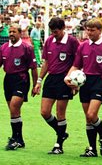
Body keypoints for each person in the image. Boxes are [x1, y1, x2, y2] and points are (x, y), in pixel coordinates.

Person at [65, 19, 102, 157]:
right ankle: (92, 149)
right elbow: (76, 65)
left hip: (99, 82)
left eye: (92, 30)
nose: (89, 32)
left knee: (91, 114)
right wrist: (68, 77)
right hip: (85, 82)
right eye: (87, 30)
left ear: (100, 31)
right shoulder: (82, 46)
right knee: (87, 118)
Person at [32, 17, 80, 154]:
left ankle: (58, 144)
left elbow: (78, 62)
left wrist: (75, 82)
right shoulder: (49, 41)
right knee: (44, 112)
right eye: (52, 32)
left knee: (60, 113)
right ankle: (62, 133)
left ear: (63, 28)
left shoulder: (72, 42)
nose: (54, 34)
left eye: (56, 32)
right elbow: (46, 62)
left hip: (65, 80)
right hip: (51, 79)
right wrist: (39, 81)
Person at [0, 24, 38, 150]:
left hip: (21, 79)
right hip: (8, 79)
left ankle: (14, 138)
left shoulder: (27, 48)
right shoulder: (4, 47)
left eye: (14, 31)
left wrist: (36, 84)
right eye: (10, 31)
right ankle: (19, 139)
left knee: (14, 106)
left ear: (20, 33)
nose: (11, 34)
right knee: (13, 111)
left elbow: (33, 68)